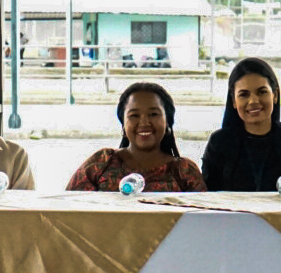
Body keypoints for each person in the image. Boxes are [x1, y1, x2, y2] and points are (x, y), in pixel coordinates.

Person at [199, 58, 281, 192]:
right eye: (244, 95)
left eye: (262, 92)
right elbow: (209, 197)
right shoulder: (219, 143)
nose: (253, 101)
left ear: (275, 95)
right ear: (234, 101)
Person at [67, 82, 206, 192]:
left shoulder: (184, 171)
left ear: (168, 122)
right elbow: (69, 209)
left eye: (153, 114)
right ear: (123, 123)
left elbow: (203, 216)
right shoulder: (101, 163)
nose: (144, 122)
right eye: (134, 115)